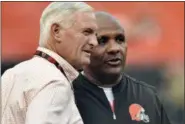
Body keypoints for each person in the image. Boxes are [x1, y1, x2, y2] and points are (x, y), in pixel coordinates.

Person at [2, 2, 98, 124]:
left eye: (96, 35)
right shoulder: (55, 82)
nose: (94, 42)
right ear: (56, 31)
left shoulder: (12, 73)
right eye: (87, 32)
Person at [73, 11, 171, 124]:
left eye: (120, 39)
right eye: (102, 41)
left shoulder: (147, 96)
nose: (114, 48)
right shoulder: (68, 95)